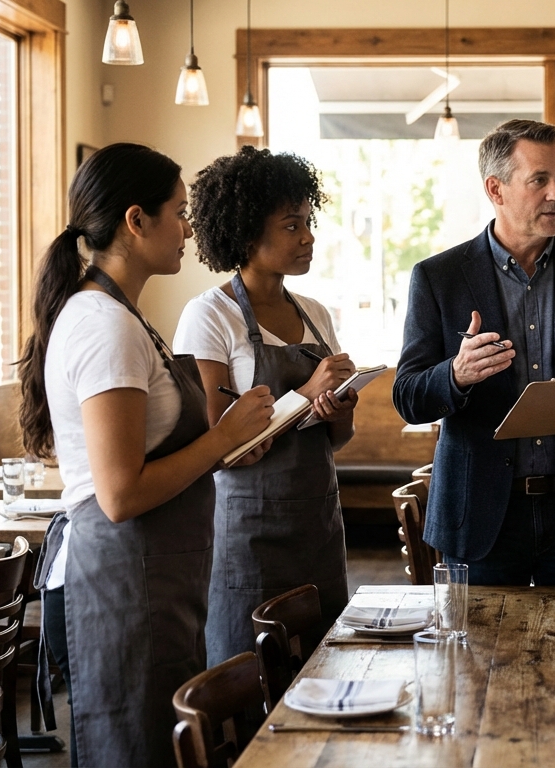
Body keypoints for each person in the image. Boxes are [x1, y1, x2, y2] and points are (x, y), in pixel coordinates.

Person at [17, 143, 276, 768]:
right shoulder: (102, 323)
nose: (189, 229)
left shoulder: (121, 315)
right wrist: (222, 437)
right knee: (132, 751)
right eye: (180, 212)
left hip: (159, 580)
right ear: (136, 221)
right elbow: (120, 494)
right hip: (125, 581)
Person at [393, 119, 555, 586]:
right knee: (474, 659)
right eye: (539, 181)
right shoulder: (439, 277)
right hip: (480, 518)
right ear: (496, 189)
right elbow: (408, 396)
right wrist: (456, 373)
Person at [174, 147, 355, 665]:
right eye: (291, 225)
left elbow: (334, 443)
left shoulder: (315, 312)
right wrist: (304, 394)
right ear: (248, 234)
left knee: (325, 671)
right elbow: (219, 444)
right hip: (247, 537)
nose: (308, 237)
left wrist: (335, 411)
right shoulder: (210, 316)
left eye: (308, 222)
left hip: (319, 529)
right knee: (249, 679)